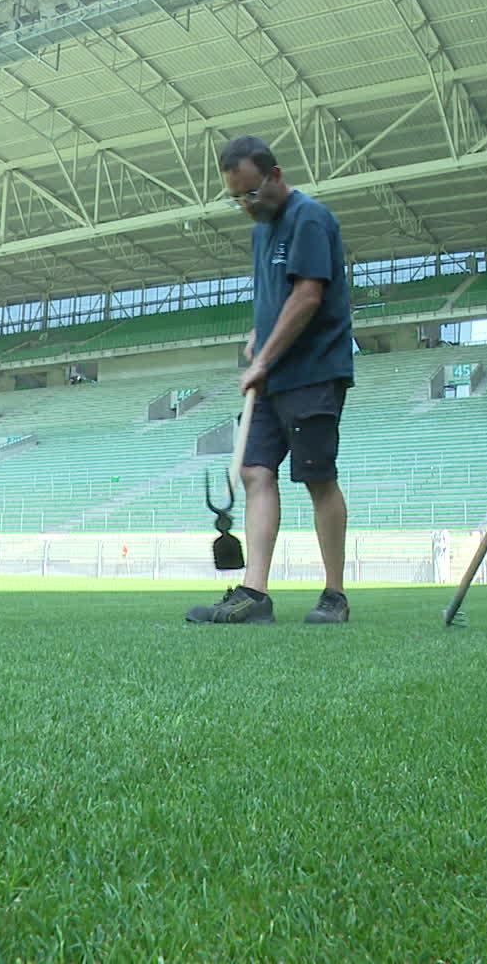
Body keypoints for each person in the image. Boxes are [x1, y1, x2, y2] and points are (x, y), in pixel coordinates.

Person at [186, 136, 354, 625]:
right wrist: (259, 333)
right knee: (254, 471)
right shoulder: (261, 232)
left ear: (275, 175)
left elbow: (306, 297)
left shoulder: (311, 220)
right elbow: (276, 298)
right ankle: (254, 594)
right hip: (272, 376)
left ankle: (335, 595)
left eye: (251, 194)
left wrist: (264, 359)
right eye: (234, 197)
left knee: (318, 478)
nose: (244, 206)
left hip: (314, 372)